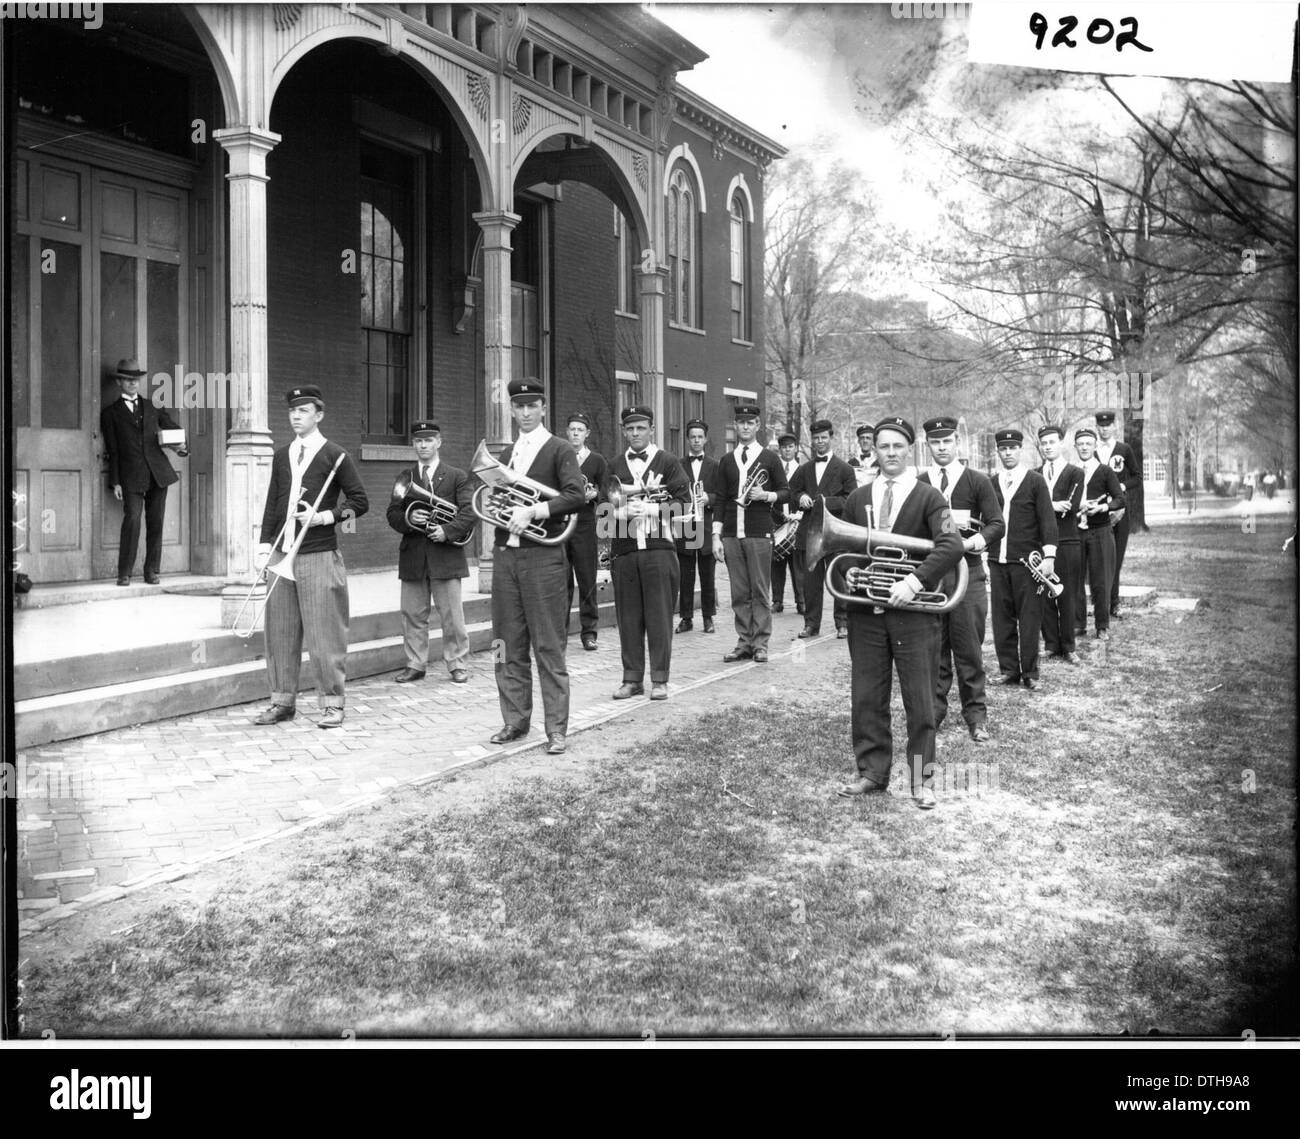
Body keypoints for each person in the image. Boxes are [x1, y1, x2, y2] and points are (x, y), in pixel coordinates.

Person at [835, 417, 964, 810]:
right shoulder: (859, 497)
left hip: (915, 614)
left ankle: (921, 780)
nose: (890, 453)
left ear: (910, 450)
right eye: (883, 446)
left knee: (920, 699)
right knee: (866, 695)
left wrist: (914, 582)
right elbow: (846, 554)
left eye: (897, 446)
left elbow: (951, 545)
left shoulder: (929, 496)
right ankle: (872, 772)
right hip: (868, 614)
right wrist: (851, 571)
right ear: (873, 449)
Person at [252, 385, 368, 729]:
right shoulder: (282, 453)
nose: (296, 416)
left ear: (318, 415)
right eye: (292, 411)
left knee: (324, 633)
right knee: (280, 633)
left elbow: (360, 501)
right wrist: (263, 548)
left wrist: (324, 517)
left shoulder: (336, 455)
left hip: (319, 554)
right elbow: (274, 502)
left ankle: (333, 703)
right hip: (282, 553)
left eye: (303, 411)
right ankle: (282, 702)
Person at [488, 378, 586, 755]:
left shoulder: (560, 449)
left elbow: (576, 495)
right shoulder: (508, 453)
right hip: (506, 558)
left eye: (532, 406)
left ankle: (557, 729)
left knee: (548, 645)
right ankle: (514, 721)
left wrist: (533, 510)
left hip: (543, 558)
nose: (525, 413)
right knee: (503, 643)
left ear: (543, 408)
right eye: (519, 406)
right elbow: (498, 499)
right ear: (511, 410)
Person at [918, 415, 1004, 739]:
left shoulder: (977, 481)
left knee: (969, 650)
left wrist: (971, 541)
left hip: (969, 575)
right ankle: (934, 714)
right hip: (933, 578)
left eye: (947, 441)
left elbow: (997, 524)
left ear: (957, 442)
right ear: (928, 446)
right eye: (935, 443)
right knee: (934, 651)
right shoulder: (920, 481)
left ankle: (976, 717)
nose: (942, 447)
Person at [608, 405, 691, 700]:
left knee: (659, 617)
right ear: (624, 431)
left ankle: (659, 679)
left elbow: (685, 504)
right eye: (629, 429)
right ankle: (632, 679)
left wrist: (652, 507)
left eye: (640, 428)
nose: (635, 434)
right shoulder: (615, 464)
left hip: (659, 549)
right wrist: (619, 514)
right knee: (628, 618)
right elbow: (601, 512)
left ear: (651, 429)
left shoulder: (668, 462)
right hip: (625, 550)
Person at [386, 420, 475, 686]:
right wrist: (410, 516)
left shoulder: (457, 476)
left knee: (452, 616)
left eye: (428, 440)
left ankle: (457, 663)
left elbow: (470, 512)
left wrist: (446, 531)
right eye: (418, 441)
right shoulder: (406, 477)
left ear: (439, 442)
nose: (423, 445)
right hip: (414, 554)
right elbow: (392, 514)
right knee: (412, 614)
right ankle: (415, 664)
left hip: (445, 554)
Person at [99, 358, 188, 586]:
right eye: (128, 379)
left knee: (156, 522)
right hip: (130, 476)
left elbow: (173, 429)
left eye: (136, 379)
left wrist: (181, 446)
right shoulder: (110, 413)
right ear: (119, 382)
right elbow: (113, 450)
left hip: (158, 474)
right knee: (132, 520)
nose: (133, 384)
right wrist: (116, 482)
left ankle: (152, 571)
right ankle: (124, 573)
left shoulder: (152, 406)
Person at [712, 403, 789, 663]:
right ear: (735, 425)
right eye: (741, 422)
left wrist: (767, 495)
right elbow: (721, 500)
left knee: (760, 589)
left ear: (758, 426)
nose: (745, 426)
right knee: (739, 591)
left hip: (758, 532)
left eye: (750, 422)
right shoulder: (726, 460)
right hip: (733, 533)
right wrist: (716, 536)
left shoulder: (769, 458)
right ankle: (744, 641)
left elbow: (785, 491)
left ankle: (761, 643)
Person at [989, 428, 1058, 690]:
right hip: (997, 560)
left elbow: (1047, 521)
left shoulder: (1035, 481)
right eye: (1003, 449)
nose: (1008, 453)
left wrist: (1049, 555)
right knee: (1002, 619)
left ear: (1021, 450)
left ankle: (1030, 672)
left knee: (1029, 618)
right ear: (998, 452)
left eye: (1012, 448)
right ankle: (1009, 670)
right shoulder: (991, 483)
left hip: (1027, 563)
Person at [787, 418, 857, 640]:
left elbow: (850, 499)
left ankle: (842, 623)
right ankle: (811, 624)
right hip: (810, 533)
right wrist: (802, 497)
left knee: (838, 578)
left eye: (823, 438)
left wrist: (824, 502)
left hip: (836, 534)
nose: (819, 442)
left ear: (831, 438)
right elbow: (792, 494)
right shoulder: (804, 469)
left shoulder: (845, 469)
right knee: (811, 582)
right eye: (816, 439)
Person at [1036, 424, 1084, 665]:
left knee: (1067, 594)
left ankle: (1068, 645)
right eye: (1044, 443)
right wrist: (1053, 505)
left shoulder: (1075, 473)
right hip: (1041, 543)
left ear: (1061, 443)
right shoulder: (1035, 474)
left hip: (1067, 541)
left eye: (1052, 442)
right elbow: (1034, 509)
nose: (1047, 447)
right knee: (1044, 593)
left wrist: (1045, 507)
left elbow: (1072, 507)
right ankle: (1051, 644)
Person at [1073, 427, 1125, 641]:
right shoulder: (1071, 471)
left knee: (1101, 579)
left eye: (1088, 443)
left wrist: (1103, 508)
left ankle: (1102, 625)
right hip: (1076, 532)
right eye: (1080, 444)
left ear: (1095, 446)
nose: (1084, 447)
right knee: (1075, 579)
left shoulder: (1105, 471)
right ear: (1075, 447)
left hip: (1100, 531)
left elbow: (1120, 499)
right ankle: (1078, 624)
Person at [564, 412, 608, 652]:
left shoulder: (597, 461)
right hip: (561, 524)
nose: (575, 433)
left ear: (587, 433)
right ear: (567, 431)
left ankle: (589, 633)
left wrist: (595, 495)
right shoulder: (560, 456)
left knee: (587, 579)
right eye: (572, 429)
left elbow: (608, 492)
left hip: (585, 524)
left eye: (580, 429)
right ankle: (560, 632)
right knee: (561, 581)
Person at [675, 418, 718, 634]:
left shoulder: (714, 466)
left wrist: (708, 499)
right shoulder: (678, 465)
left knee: (707, 576)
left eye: (700, 437)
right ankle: (686, 618)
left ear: (706, 439)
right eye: (693, 437)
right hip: (685, 528)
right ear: (687, 439)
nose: (696, 441)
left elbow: (722, 495)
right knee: (686, 576)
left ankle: (708, 617)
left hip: (707, 527)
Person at [1094, 411, 1139, 619]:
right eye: (1101, 425)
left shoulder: (1124, 449)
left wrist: (1121, 485)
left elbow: (1137, 477)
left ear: (1114, 426)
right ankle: (1099, 604)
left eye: (1108, 425)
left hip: (1119, 511)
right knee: (1097, 559)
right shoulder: (1091, 450)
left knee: (1116, 558)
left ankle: (1114, 603)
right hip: (1097, 512)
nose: (1104, 428)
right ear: (1097, 427)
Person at [770, 432, 805, 615]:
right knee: (776, 563)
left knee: (797, 565)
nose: (787, 450)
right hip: (777, 522)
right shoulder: (775, 470)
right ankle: (777, 600)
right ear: (780, 449)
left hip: (796, 524)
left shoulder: (802, 470)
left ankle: (801, 601)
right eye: (784, 447)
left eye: (790, 447)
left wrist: (798, 514)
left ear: (796, 448)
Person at [848, 423, 877, 487]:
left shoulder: (879, 463)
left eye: (868, 438)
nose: (865, 441)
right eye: (862, 438)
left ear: (873, 441)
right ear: (858, 441)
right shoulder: (851, 463)